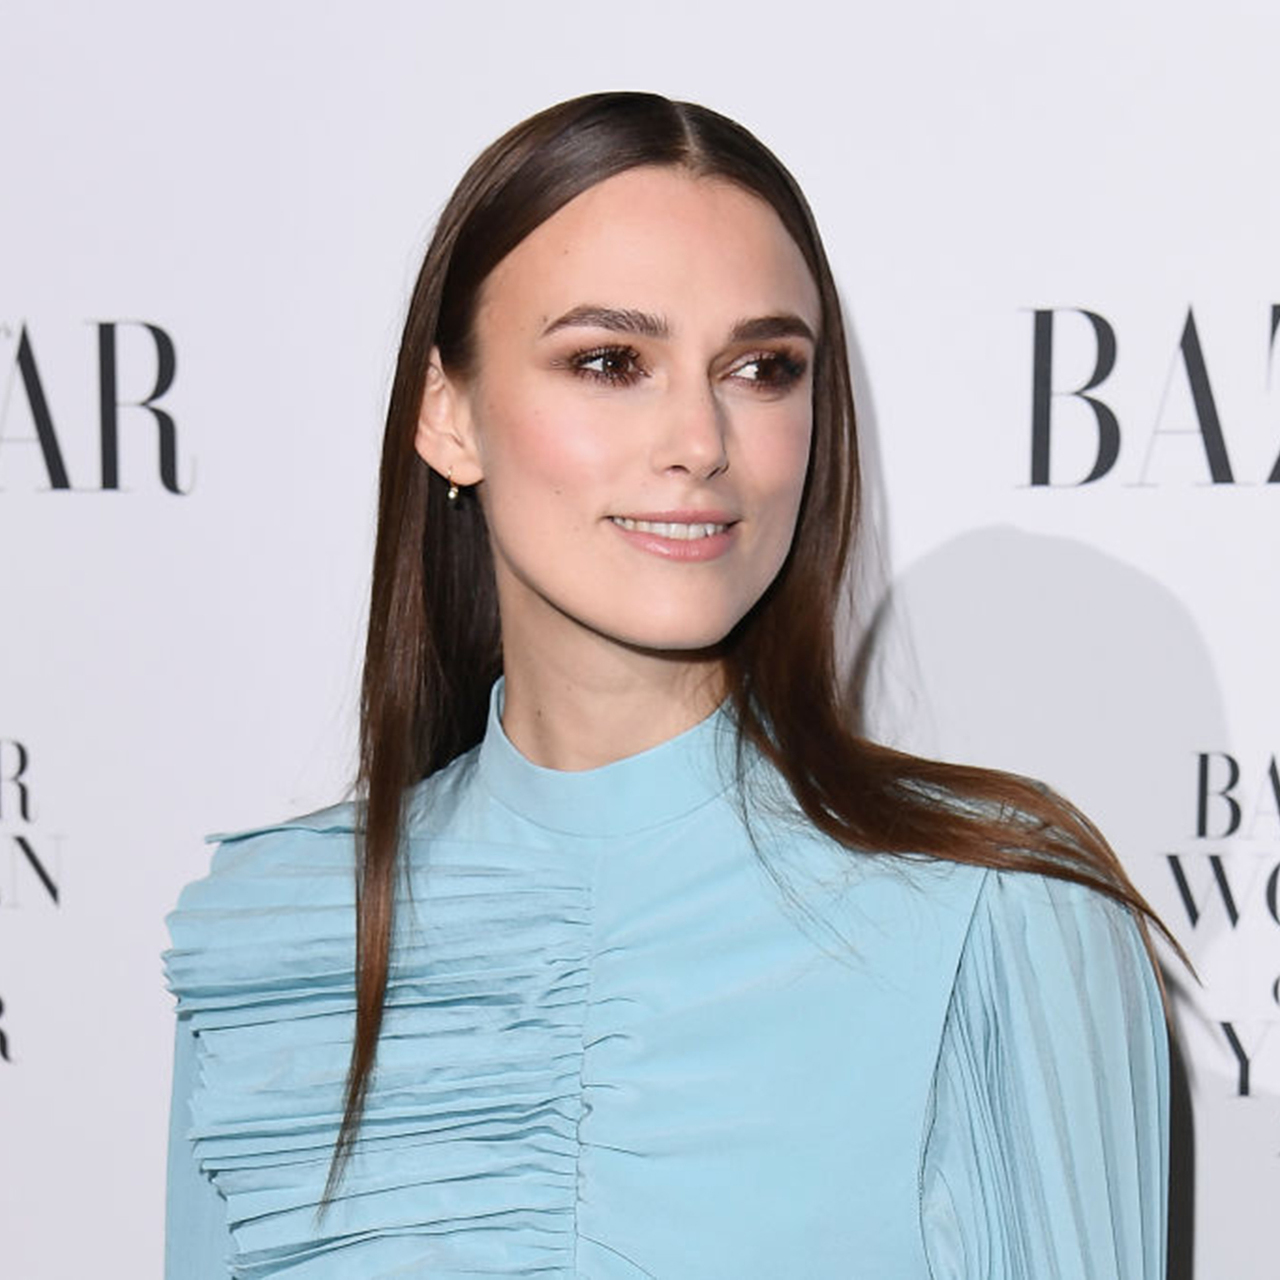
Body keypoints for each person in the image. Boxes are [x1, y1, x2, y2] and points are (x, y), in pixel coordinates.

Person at [164, 92, 1174, 1278]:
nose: (698, 438)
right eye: (609, 361)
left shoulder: (996, 906)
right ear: (448, 413)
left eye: (760, 367)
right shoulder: (279, 931)